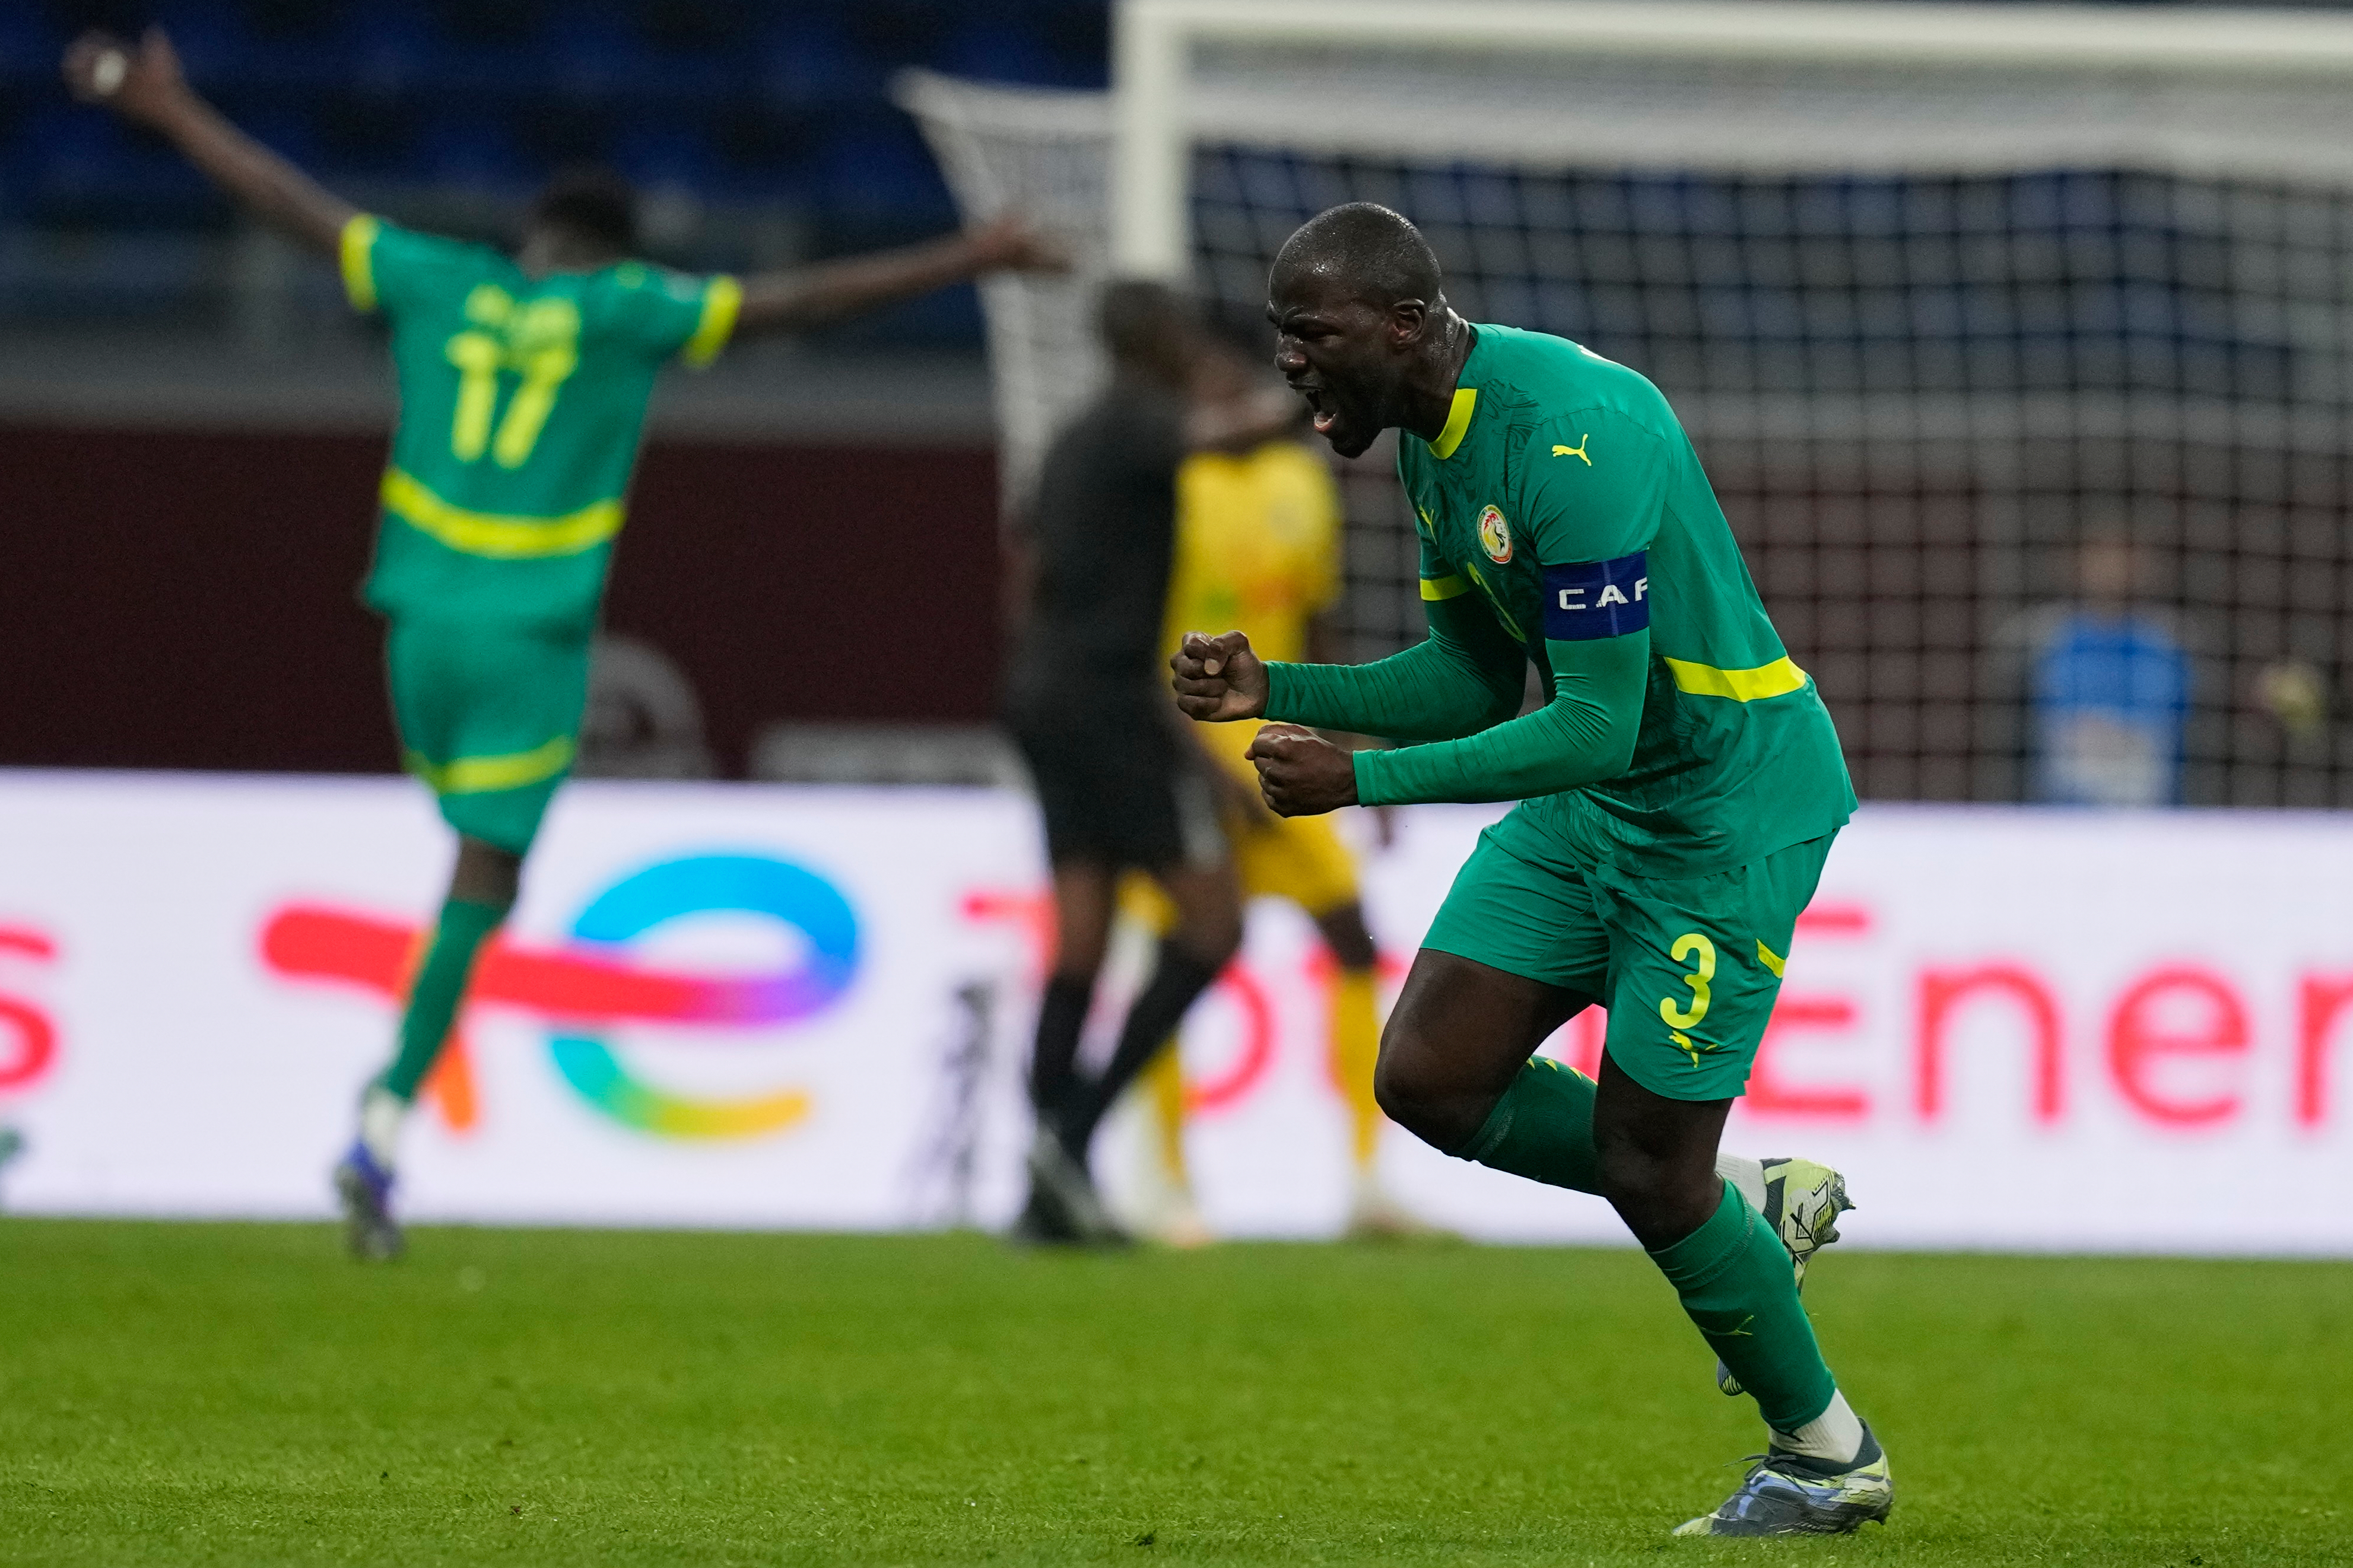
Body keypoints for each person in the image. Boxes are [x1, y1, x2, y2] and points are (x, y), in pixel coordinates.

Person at [65, 27, 1061, 1262]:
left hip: (416, 626)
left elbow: (295, 207)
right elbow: (793, 304)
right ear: (616, 249)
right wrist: (977, 254)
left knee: (463, 852)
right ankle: (383, 1116)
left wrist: (170, 111)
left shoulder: (437, 276)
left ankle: (384, 1112)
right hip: (530, 638)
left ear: (532, 234)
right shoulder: (625, 308)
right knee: (483, 883)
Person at [1171, 203, 1886, 1537]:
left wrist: (1358, 776)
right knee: (1429, 1079)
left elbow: (1595, 718)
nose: (1292, 366)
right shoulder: (1436, 446)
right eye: (1281, 337)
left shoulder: (1575, 435)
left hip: (1721, 811)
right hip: (1598, 804)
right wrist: (1283, 685)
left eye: (1309, 335)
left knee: (1647, 1165)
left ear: (1403, 325)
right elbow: (1472, 676)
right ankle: (1755, 1209)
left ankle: (1826, 1454)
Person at [1117, 327, 1428, 1243]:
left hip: (1279, 751)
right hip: (1183, 754)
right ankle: (1164, 1183)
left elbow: (1315, 625)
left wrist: (1356, 754)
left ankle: (1370, 1185)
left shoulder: (1300, 486)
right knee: (1184, 955)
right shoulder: (1171, 484)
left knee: (1352, 937)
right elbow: (1134, 641)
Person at [1002, 282, 1291, 1245]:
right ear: (1157, 341)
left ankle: (1050, 1180)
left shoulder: (1074, 437)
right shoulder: (1138, 424)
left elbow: (1031, 569)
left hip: (1045, 693)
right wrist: (1332, 387)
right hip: (1101, 702)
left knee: (1081, 931)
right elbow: (1239, 441)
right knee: (1212, 925)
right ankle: (1070, 1132)